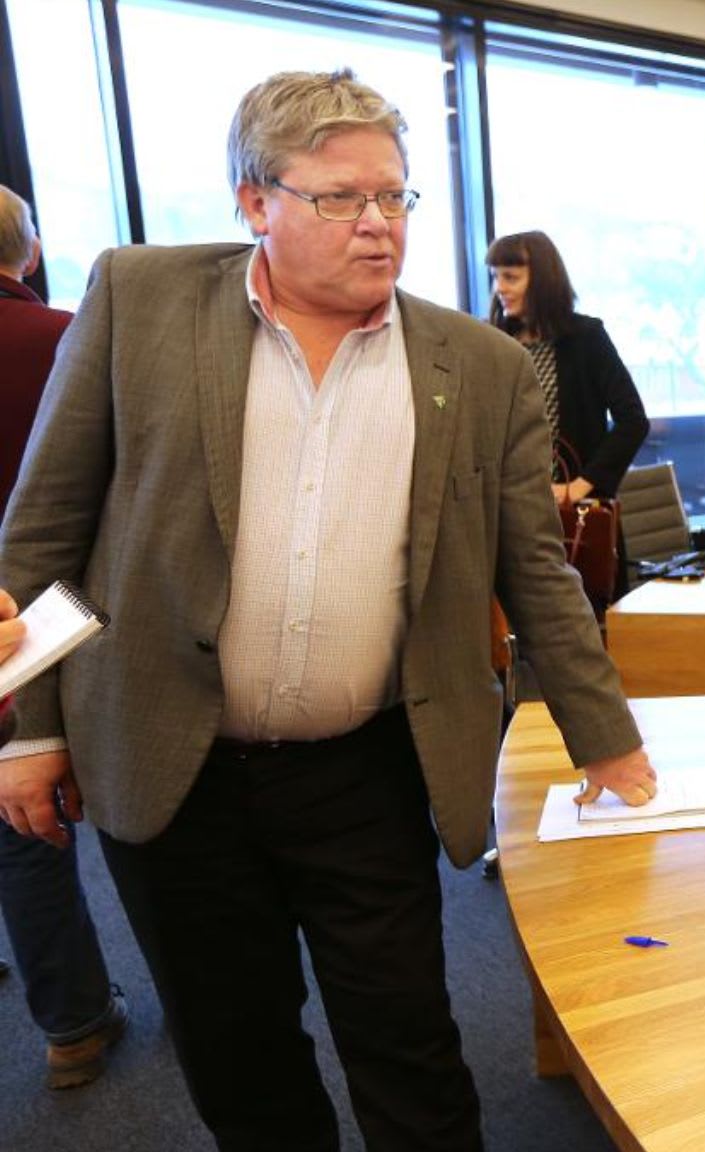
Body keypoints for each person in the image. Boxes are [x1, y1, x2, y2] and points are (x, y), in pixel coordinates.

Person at [0, 69, 658, 1151]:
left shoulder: (479, 365)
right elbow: (43, 530)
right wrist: (31, 731)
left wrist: (606, 739)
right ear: (256, 201)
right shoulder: (139, 300)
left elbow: (533, 570)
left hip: (368, 767)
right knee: (237, 1050)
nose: (378, 223)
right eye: (341, 198)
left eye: (394, 196)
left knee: (408, 1041)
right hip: (174, 763)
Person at [0, 185, 130, 1090]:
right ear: (32, 251)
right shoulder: (66, 338)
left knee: (14, 824)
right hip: (61, 618)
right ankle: (84, 1024)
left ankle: (72, 1020)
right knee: (58, 819)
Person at [486, 230, 649, 605]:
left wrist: (580, 485)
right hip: (510, 517)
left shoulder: (586, 337)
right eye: (495, 277)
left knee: (581, 618)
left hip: (574, 515)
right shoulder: (493, 341)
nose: (499, 288)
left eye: (511, 277)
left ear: (542, 280)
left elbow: (632, 421)